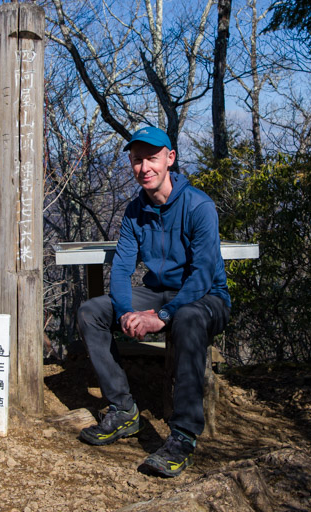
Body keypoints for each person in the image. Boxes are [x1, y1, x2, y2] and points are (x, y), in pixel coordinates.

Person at [76, 126, 231, 477]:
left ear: (170, 159)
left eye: (152, 158)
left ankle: (183, 436)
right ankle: (122, 409)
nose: (144, 167)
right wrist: (125, 312)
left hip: (207, 297)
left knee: (187, 318)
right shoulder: (135, 211)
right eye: (137, 160)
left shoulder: (199, 206)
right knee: (91, 312)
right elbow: (121, 269)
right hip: (157, 292)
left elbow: (203, 275)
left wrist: (162, 315)